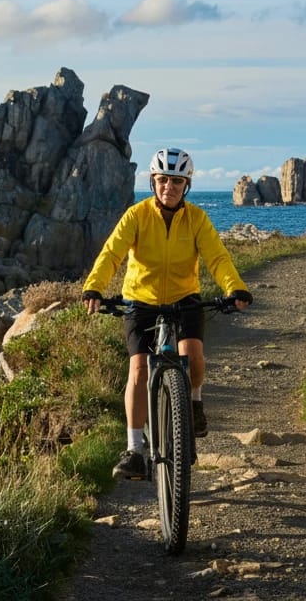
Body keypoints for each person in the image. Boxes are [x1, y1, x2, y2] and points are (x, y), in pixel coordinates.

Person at [81, 147, 252, 480]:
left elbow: (216, 258)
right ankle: (134, 450)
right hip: (140, 301)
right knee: (138, 369)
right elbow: (111, 254)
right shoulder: (136, 215)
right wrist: (94, 287)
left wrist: (235, 288)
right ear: (153, 182)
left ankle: (194, 402)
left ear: (185, 185)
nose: (168, 188)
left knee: (194, 355)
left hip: (184, 297)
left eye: (176, 181)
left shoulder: (197, 218)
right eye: (162, 180)